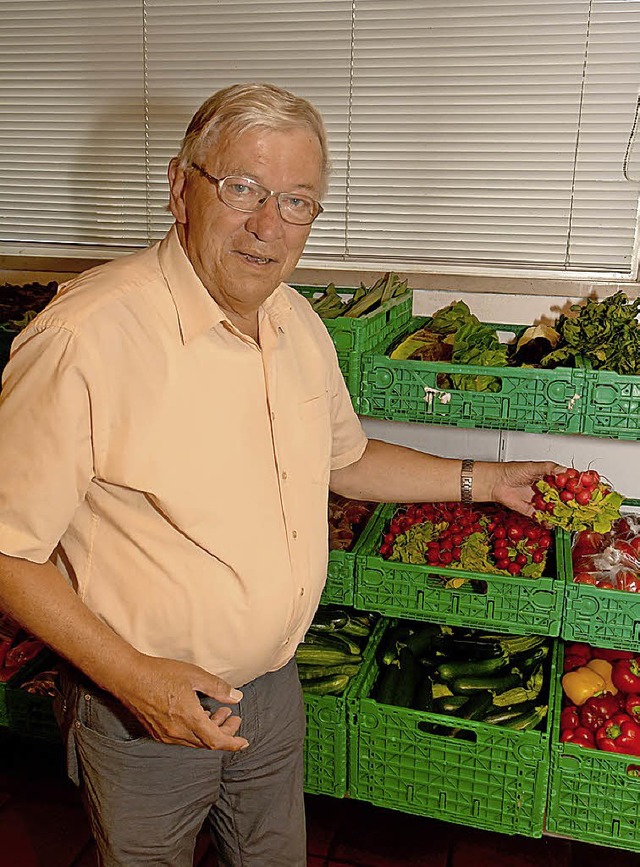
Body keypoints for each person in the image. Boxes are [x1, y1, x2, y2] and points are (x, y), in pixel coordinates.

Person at [0, 82, 559, 866]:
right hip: (141, 706)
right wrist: (135, 680)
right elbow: (9, 552)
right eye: (242, 188)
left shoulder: (296, 322)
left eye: (297, 201)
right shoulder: (84, 339)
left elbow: (350, 459)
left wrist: (485, 480)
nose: (269, 225)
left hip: (271, 691)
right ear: (178, 188)